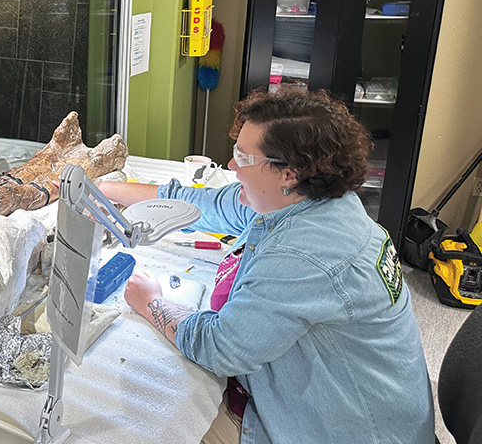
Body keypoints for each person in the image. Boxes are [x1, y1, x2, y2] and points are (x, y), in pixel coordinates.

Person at [98, 89, 434, 443]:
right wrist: (100, 188)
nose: (230, 166)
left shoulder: (304, 253)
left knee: (139, 416)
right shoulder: (312, 199)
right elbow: (202, 202)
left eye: (242, 158)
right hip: (351, 406)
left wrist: (151, 302)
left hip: (348, 432)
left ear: (288, 173)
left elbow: (220, 348)